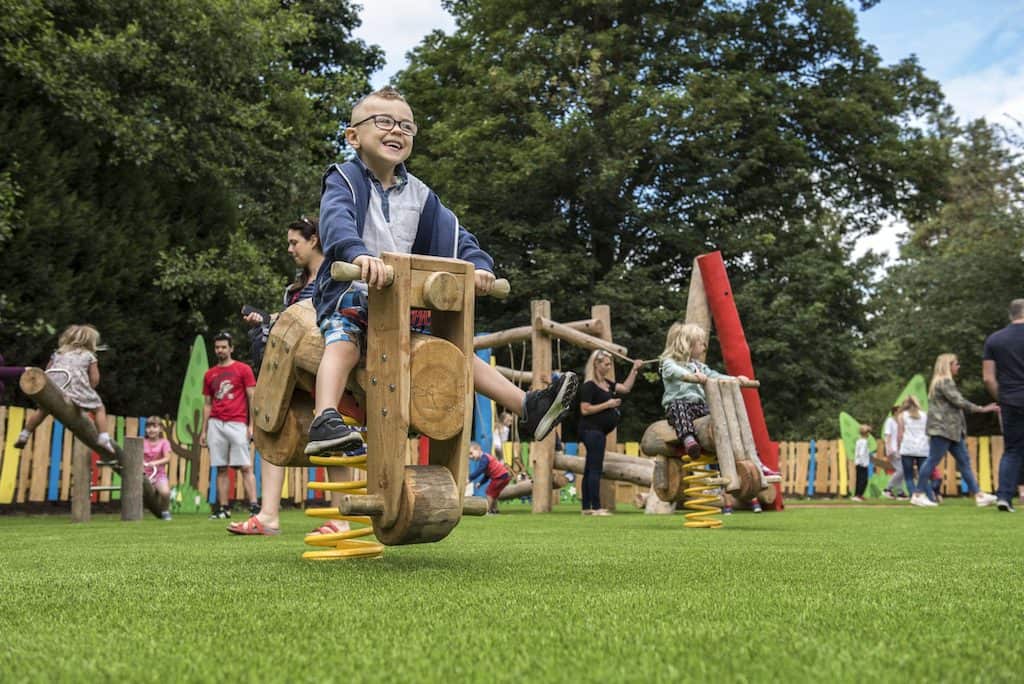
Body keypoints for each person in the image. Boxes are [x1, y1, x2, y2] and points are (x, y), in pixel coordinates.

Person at [305, 85, 578, 457]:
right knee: (344, 337)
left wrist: (479, 267)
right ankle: (325, 416)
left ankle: (527, 407)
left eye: (406, 126)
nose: (396, 131)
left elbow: (457, 236)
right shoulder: (344, 179)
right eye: (383, 121)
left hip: (399, 302)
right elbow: (336, 221)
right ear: (353, 136)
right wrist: (356, 256)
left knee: (452, 350)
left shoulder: (420, 195)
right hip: (352, 291)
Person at [229, 217, 355, 536]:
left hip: (327, 366)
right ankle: (268, 515)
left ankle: (341, 519)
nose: (289, 249)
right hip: (292, 372)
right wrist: (266, 321)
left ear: (314, 240)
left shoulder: (339, 273)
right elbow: (291, 321)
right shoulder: (295, 288)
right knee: (270, 424)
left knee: (333, 438)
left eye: (294, 242)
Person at [658, 322, 779, 476]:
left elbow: (715, 376)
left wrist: (736, 379)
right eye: (700, 342)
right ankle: (689, 439)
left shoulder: (699, 366)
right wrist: (689, 376)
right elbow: (675, 372)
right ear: (687, 344)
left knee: (724, 419)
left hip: (699, 407)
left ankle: (756, 462)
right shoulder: (669, 363)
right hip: (679, 406)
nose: (704, 345)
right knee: (678, 407)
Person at [911, 353, 999, 508]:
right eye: (956, 364)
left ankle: (979, 495)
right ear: (948, 365)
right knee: (932, 460)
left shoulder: (940, 382)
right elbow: (959, 401)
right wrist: (982, 409)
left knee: (964, 462)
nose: (958, 366)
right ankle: (918, 494)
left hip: (952, 431)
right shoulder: (944, 382)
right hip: (943, 429)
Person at [14, 325, 113, 452]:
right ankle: (103, 437)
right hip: (75, 388)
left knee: (42, 410)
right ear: (90, 342)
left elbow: (47, 371)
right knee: (99, 408)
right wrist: (89, 390)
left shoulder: (58, 353)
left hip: (54, 388)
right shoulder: (89, 355)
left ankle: (25, 434)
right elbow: (95, 378)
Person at [200, 332, 258, 519]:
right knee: (221, 467)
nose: (220, 350)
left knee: (245, 467)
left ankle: (254, 507)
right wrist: (204, 430)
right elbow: (207, 403)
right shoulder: (210, 374)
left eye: (224, 347)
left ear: (231, 348)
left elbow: (252, 397)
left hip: (237, 421)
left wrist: (252, 426)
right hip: (216, 422)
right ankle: (223, 509)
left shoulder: (243, 369)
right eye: (217, 347)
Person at [578, 350, 643, 516]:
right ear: (596, 364)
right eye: (606, 364)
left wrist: (634, 369)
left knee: (589, 468)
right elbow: (585, 409)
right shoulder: (589, 385)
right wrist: (608, 404)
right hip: (591, 430)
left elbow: (626, 388)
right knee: (595, 468)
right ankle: (596, 507)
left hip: (599, 431)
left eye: (609, 364)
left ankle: (587, 507)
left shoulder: (607, 383)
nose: (608, 367)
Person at [982, 298, 1024, 513]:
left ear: (1011, 315)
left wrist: (1004, 397)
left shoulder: (995, 339)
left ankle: (1004, 497)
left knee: (1013, 450)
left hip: (1011, 400)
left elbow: (988, 378)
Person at [898, 395, 929, 500]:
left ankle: (914, 496)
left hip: (907, 447)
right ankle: (929, 496)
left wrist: (899, 446)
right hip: (923, 448)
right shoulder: (925, 415)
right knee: (923, 475)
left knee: (909, 476)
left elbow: (900, 434)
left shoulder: (902, 416)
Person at [143, 416, 173, 521]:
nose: (151, 430)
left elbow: (167, 458)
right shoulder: (142, 442)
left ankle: (165, 511)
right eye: (148, 427)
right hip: (144, 475)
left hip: (159, 474)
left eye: (154, 427)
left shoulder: (164, 443)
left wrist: (154, 463)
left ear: (160, 429)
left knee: (165, 493)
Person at [468, 442, 510, 514]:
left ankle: (488, 511)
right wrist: (480, 482)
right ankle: (495, 510)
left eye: (471, 453)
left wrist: (470, 478)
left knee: (489, 492)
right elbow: (487, 475)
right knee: (494, 494)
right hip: (504, 476)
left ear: (478, 449)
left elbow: (480, 470)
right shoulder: (485, 459)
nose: (470, 457)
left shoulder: (484, 458)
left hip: (500, 477)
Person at [881, 404, 906, 499]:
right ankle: (887, 489)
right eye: (900, 411)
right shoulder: (889, 421)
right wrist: (889, 448)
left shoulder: (899, 422)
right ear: (895, 412)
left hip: (900, 449)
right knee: (901, 470)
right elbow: (887, 435)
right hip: (892, 449)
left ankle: (900, 493)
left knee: (902, 471)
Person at [852, 423, 871, 502]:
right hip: (863, 463)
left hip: (858, 463)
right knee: (864, 480)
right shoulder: (864, 442)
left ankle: (857, 494)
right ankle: (859, 495)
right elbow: (862, 453)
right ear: (866, 433)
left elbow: (857, 452)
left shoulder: (858, 441)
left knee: (859, 479)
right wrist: (864, 463)